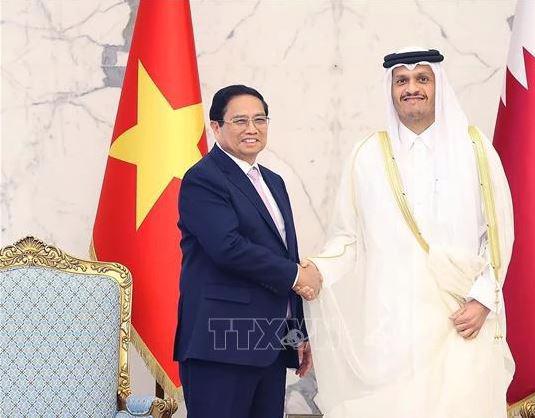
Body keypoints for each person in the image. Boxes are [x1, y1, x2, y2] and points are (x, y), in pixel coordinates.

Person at [303, 48, 516, 417]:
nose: (411, 88)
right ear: (390, 88)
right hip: (391, 323)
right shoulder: (366, 155)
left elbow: (497, 233)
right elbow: (347, 238)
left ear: (438, 86)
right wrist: (316, 271)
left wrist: (483, 300)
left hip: (460, 317)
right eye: (402, 80)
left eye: (422, 79)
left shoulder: (475, 148)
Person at [174, 85, 321, 418]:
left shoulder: (274, 181)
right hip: (221, 345)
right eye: (240, 120)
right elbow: (228, 248)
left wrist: (298, 332)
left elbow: (285, 255)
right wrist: (298, 276)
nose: (252, 128)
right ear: (216, 127)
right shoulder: (203, 179)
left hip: (267, 346)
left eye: (260, 119)